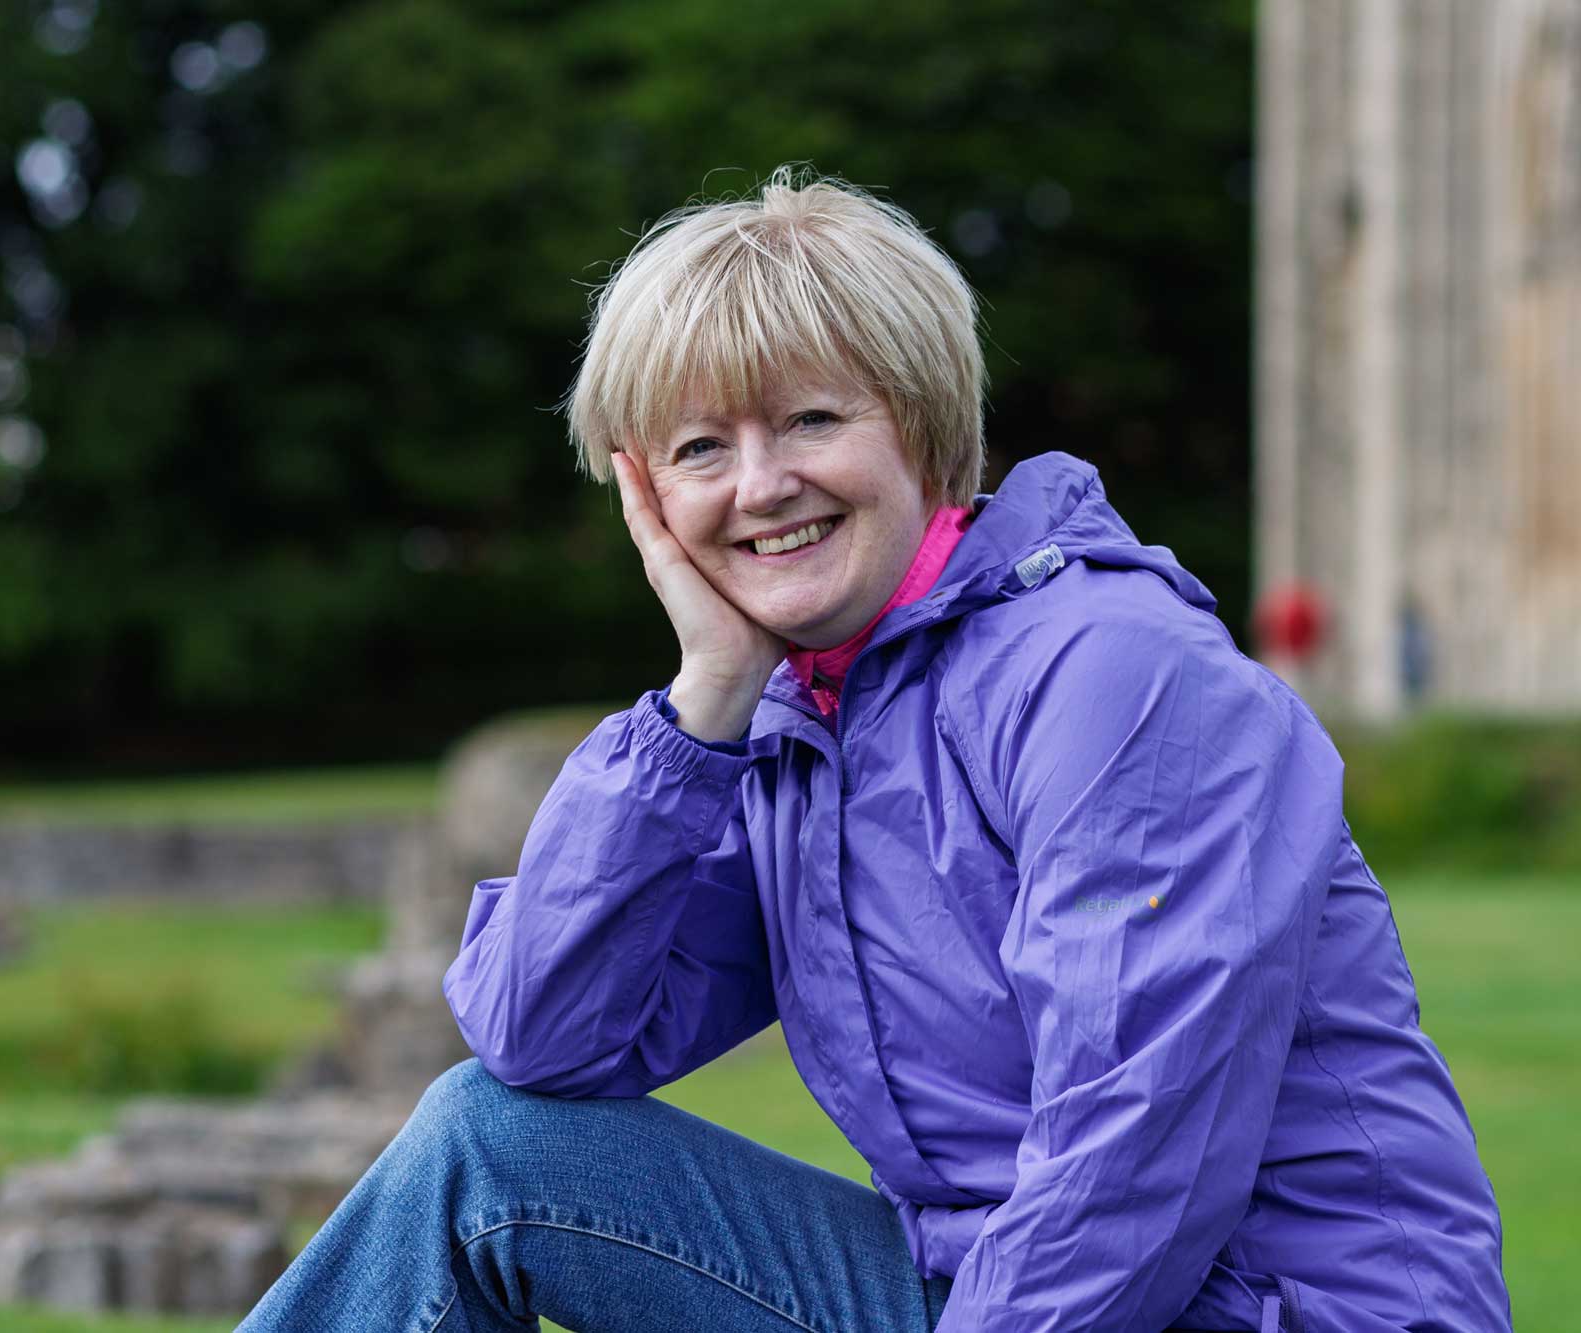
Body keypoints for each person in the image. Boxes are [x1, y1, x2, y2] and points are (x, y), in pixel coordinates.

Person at [236, 168, 1512, 1333]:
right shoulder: (794, 722)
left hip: (1263, 1314)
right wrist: (702, 700)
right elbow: (539, 1042)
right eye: (698, 449)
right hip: (982, 1300)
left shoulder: (1114, 675)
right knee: (486, 1151)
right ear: (645, 500)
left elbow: (1136, 1155)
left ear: (918, 425)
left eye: (806, 420)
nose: (759, 485)